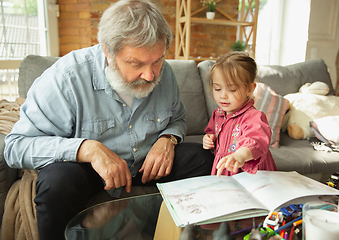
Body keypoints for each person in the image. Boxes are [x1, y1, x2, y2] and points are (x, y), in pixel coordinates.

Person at [4, 0, 213, 239]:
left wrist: (168, 138)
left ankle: (161, 233)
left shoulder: (163, 75)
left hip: (146, 166)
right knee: (57, 182)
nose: (150, 74)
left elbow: (178, 118)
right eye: (136, 64)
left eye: (157, 60)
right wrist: (88, 149)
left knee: (203, 159)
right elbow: (15, 147)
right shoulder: (65, 78)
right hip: (91, 173)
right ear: (107, 52)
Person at [202, 52, 277, 177]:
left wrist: (239, 155)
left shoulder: (254, 117)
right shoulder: (218, 114)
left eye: (232, 90)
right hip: (226, 168)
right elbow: (211, 132)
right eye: (217, 89)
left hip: (249, 173)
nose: (223, 96)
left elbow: (256, 140)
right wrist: (208, 139)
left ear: (249, 89)